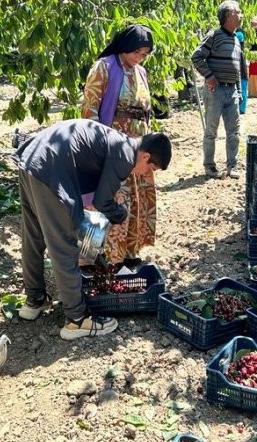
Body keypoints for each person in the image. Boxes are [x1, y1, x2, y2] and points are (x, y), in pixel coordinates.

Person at [14, 119, 172, 340]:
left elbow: (90, 192)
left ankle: (34, 301)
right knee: (64, 247)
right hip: (49, 170)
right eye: (151, 168)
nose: (145, 173)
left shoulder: (116, 142)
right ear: (145, 156)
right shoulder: (125, 155)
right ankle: (77, 320)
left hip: (31, 160)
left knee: (33, 238)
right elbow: (103, 201)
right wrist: (120, 215)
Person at [82, 24, 156, 268]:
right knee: (114, 200)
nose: (139, 58)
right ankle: (106, 256)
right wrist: (96, 148)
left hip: (137, 151)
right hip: (112, 151)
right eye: (136, 52)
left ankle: (128, 251)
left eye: (144, 55)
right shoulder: (104, 67)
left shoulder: (141, 72)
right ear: (124, 46)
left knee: (135, 201)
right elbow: (90, 110)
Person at [191, 0, 245, 180]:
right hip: (216, 91)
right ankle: (210, 166)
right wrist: (209, 76)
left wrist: (238, 90)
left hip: (231, 92)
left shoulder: (236, 39)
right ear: (229, 15)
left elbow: (236, 68)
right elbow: (197, 57)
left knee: (234, 132)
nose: (241, 15)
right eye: (238, 12)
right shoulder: (214, 35)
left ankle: (232, 166)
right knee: (211, 131)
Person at [234, 27, 249, 115]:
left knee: (242, 83)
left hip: (239, 60)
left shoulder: (239, 34)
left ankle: (241, 108)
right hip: (236, 59)